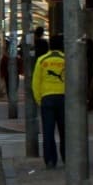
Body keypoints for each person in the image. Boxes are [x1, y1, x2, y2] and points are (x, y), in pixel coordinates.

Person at [32, 34, 65, 169]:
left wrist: (39, 99)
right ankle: (67, 157)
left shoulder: (41, 60)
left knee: (48, 130)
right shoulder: (66, 59)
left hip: (47, 99)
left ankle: (50, 160)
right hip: (64, 98)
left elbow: (35, 83)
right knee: (65, 131)